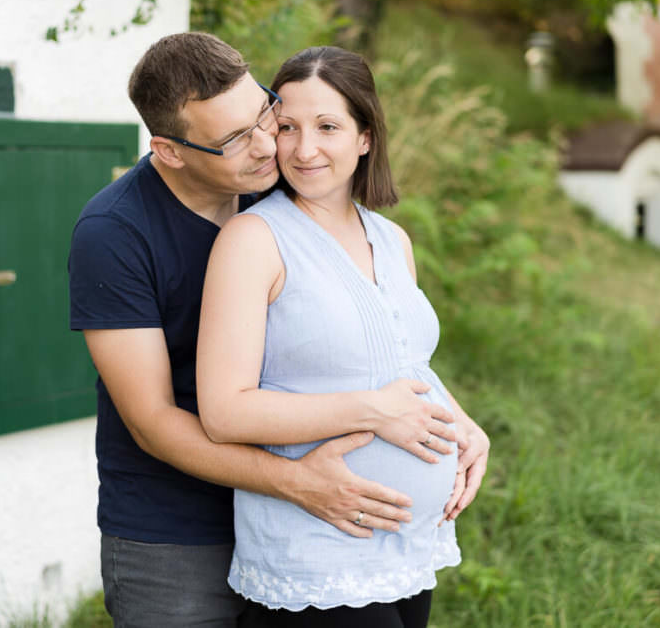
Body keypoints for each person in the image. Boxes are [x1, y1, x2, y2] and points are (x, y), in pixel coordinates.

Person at [68, 33, 489, 628]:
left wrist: (455, 421)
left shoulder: (278, 186)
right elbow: (153, 420)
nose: (270, 145)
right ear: (170, 150)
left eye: (265, 113)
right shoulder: (115, 235)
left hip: (325, 514)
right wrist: (297, 483)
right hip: (178, 527)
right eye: (236, 138)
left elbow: (370, 347)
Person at [196, 46, 489, 627]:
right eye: (286, 127)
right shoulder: (253, 240)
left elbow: (405, 365)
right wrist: (374, 414)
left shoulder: (392, 239)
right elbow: (224, 414)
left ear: (364, 137)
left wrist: (463, 424)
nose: (304, 149)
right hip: (317, 552)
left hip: (408, 548)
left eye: (327, 127)